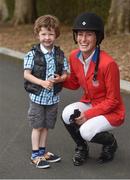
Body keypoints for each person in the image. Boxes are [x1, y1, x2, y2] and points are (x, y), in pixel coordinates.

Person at [61, 12, 125, 166]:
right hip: (90, 103)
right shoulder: (74, 56)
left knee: (86, 131)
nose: (83, 39)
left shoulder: (108, 64)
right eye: (80, 34)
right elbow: (74, 83)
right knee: (66, 114)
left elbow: (113, 100)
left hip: (112, 111)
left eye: (89, 34)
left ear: (98, 37)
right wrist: (60, 80)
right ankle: (82, 147)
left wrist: (87, 115)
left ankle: (110, 143)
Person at [23, 14, 69, 169]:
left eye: (51, 34)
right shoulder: (32, 54)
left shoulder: (60, 55)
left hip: (53, 98)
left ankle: (43, 152)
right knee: (38, 126)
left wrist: (59, 79)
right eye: (43, 34)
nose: (47, 37)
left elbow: (65, 74)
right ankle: (35, 155)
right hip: (37, 97)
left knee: (47, 126)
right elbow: (26, 74)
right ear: (38, 34)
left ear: (56, 35)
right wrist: (42, 82)